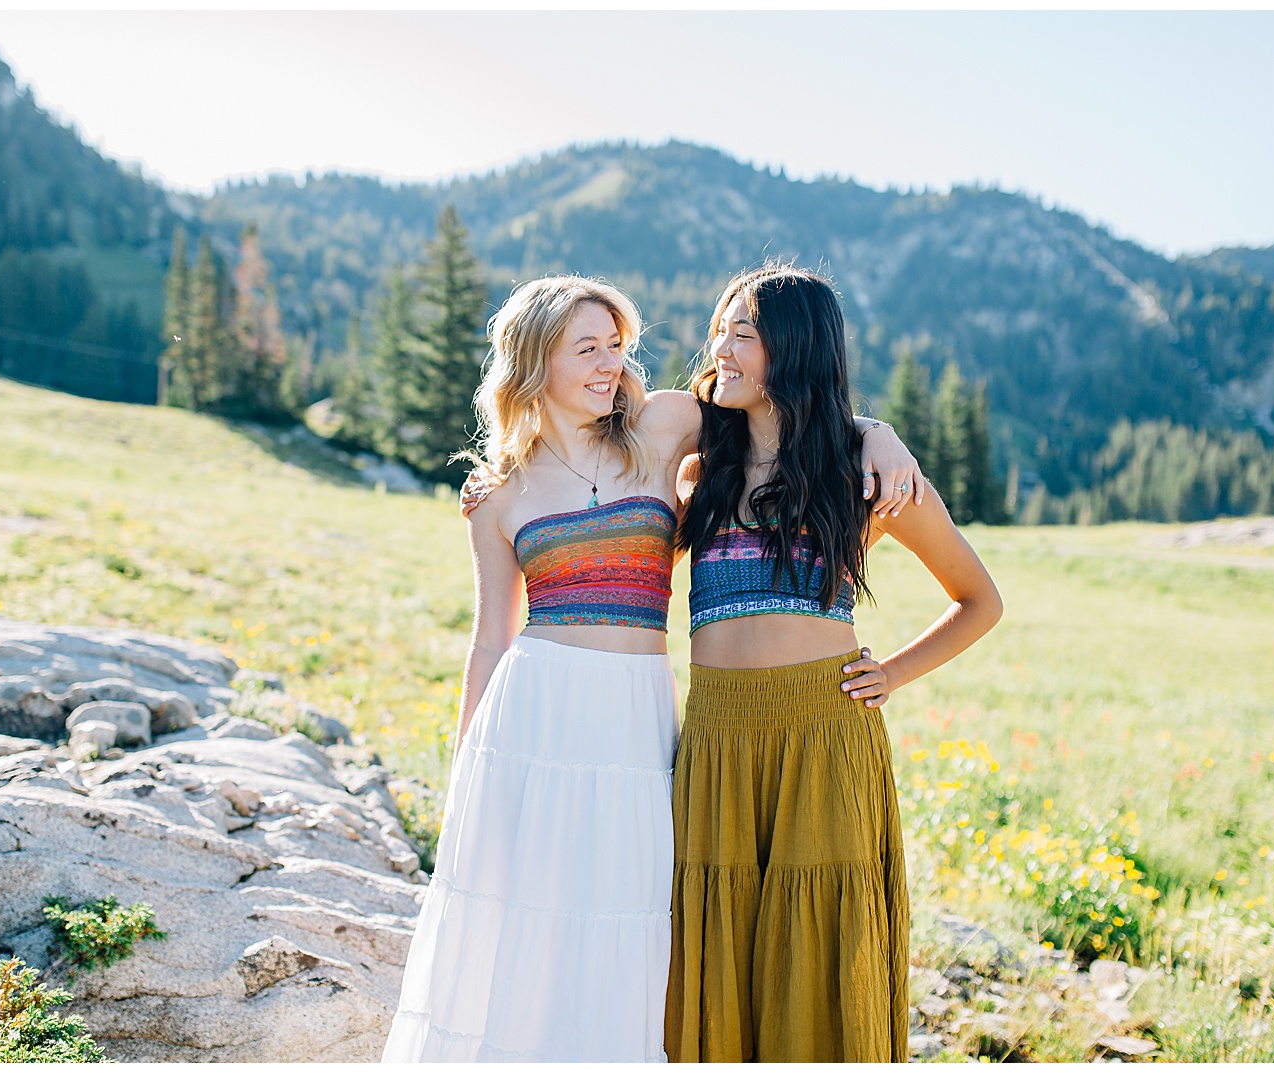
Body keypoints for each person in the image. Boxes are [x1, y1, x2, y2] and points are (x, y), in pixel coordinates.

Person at [383, 275, 923, 1062]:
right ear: (535, 360)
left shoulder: (662, 426)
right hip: (535, 711)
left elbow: (789, 405)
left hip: (638, 711)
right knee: (525, 913)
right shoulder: (498, 494)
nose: (610, 364)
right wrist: (465, 767)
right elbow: (490, 642)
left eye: (617, 346)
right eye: (587, 348)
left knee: (636, 916)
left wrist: (877, 432)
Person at [665, 264, 1003, 1062]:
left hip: (824, 734)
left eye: (742, 333)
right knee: (715, 953)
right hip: (716, 741)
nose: (721, 348)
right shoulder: (696, 464)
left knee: (818, 952)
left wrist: (893, 673)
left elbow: (978, 599)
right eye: (720, 329)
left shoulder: (866, 472)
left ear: (795, 348)